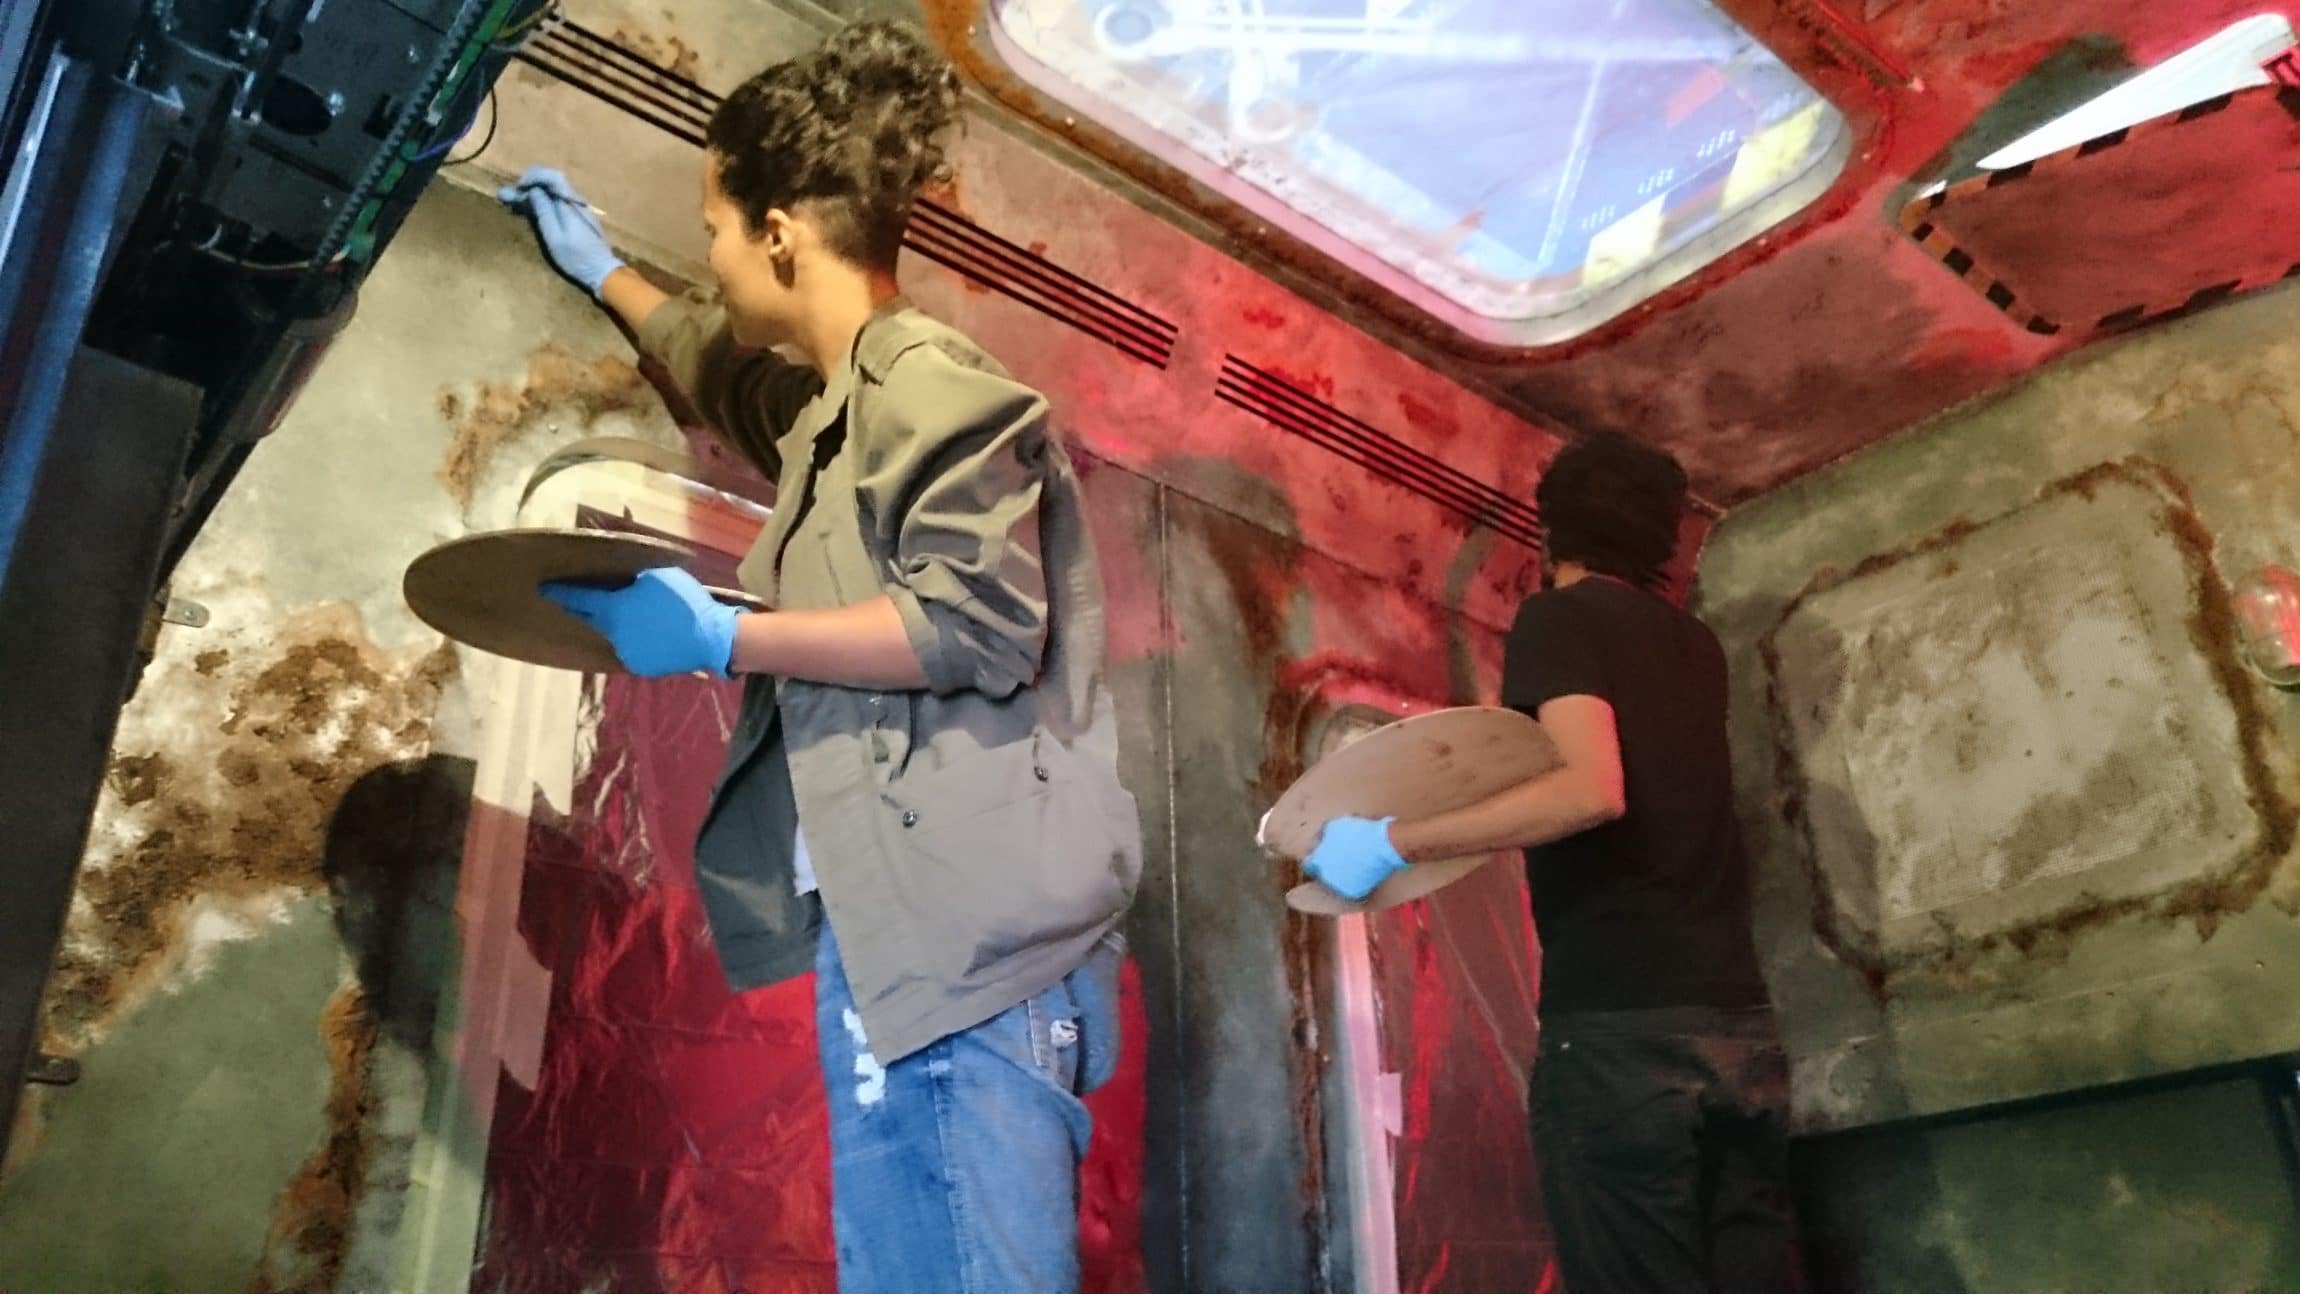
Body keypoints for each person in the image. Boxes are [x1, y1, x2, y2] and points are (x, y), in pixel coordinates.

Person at [498, 21, 1140, 1293]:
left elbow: (978, 622)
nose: (712, 256)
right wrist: (607, 275)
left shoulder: (931, 383)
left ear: (780, 234)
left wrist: (729, 635)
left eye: (717, 228)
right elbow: (731, 380)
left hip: (969, 959)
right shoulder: (836, 413)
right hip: (915, 946)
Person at [1301, 432, 1794, 1292]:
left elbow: (1591, 790)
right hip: (1739, 1033)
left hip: (1621, 1036)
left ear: (1550, 532)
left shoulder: (1559, 619)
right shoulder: (1695, 646)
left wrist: (1388, 843)